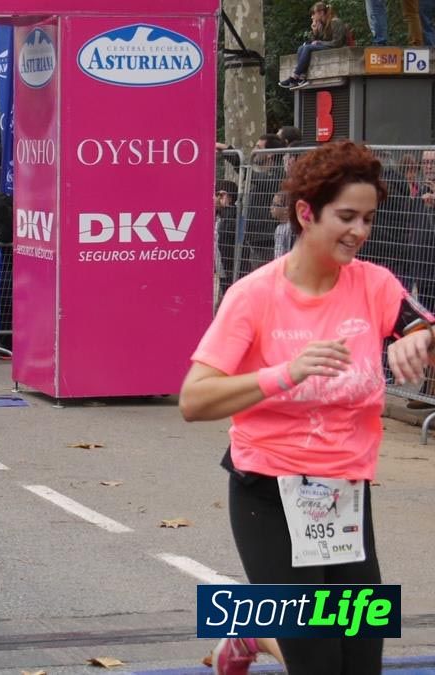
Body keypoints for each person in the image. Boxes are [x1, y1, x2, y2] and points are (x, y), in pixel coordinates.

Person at [180, 141, 435, 675]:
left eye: (367, 218)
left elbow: (418, 325)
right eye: (345, 217)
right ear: (305, 213)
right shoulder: (254, 295)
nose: (359, 232)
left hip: (344, 496)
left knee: (361, 661)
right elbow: (194, 398)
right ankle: (263, 631)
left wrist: (419, 339)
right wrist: (284, 374)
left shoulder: (374, 282)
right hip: (268, 491)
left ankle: (252, 632)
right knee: (317, 659)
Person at [280, 2, 347, 88]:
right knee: (302, 48)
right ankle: (302, 78)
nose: (312, 17)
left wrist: (319, 42)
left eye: (313, 14)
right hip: (329, 47)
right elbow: (315, 42)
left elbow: (337, 43)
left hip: (337, 48)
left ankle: (295, 76)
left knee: (307, 48)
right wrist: (315, 32)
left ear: (321, 13)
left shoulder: (335, 22)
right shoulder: (322, 25)